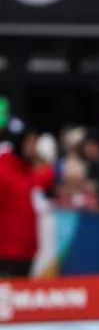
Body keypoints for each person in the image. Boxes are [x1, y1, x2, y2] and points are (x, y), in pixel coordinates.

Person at [0, 117, 41, 278]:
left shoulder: (29, 172)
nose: (34, 147)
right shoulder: (4, 171)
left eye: (35, 142)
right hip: (6, 251)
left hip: (27, 250)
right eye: (30, 142)